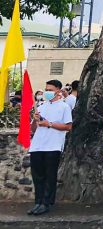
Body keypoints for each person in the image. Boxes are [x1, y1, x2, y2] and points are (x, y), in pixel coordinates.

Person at [27, 79, 72, 216]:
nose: (47, 92)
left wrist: (50, 124)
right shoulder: (41, 107)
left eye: (50, 90)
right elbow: (33, 129)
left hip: (53, 146)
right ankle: (38, 202)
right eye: (46, 89)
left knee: (49, 176)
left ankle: (46, 203)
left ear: (58, 91)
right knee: (37, 176)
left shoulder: (64, 107)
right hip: (37, 146)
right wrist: (35, 120)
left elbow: (68, 126)